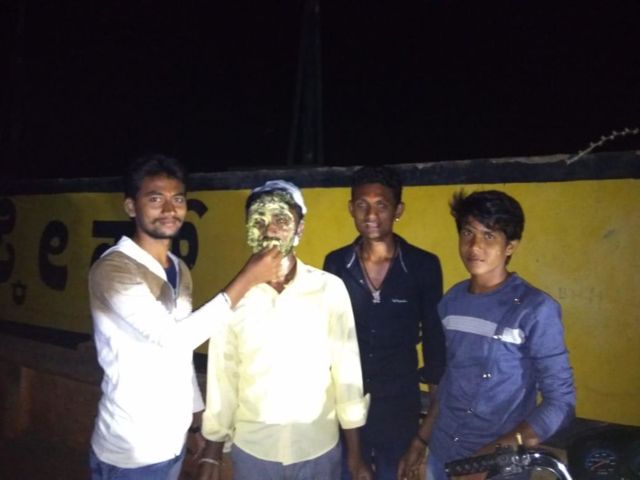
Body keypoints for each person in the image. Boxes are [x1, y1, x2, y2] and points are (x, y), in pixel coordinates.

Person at [88, 154, 283, 480]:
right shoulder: (114, 269)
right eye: (155, 199)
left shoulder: (179, 268)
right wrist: (247, 278)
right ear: (131, 207)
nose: (169, 209)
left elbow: (180, 354)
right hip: (130, 450)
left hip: (172, 443)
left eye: (177, 199)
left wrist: (196, 417)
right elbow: (175, 338)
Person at [197, 180, 372, 480]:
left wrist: (355, 456)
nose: (270, 230)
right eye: (259, 221)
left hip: (318, 448)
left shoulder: (329, 290)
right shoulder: (233, 299)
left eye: (281, 220)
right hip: (254, 452)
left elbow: (347, 374)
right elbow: (223, 379)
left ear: (300, 227)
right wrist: (212, 453)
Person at [398, 190, 576, 480]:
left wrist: (494, 455)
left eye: (489, 235)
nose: (475, 246)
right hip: (442, 456)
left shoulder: (535, 309)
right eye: (468, 232)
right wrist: (421, 441)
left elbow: (561, 403)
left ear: (510, 246)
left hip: (499, 468)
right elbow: (448, 382)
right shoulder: (452, 302)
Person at [323, 165, 446, 479]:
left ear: (398, 210)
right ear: (351, 208)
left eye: (381, 205)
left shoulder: (422, 265)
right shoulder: (337, 263)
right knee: (348, 472)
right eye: (362, 205)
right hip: (346, 403)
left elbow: (434, 342)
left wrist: (426, 429)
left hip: (400, 405)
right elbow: (330, 338)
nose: (371, 215)